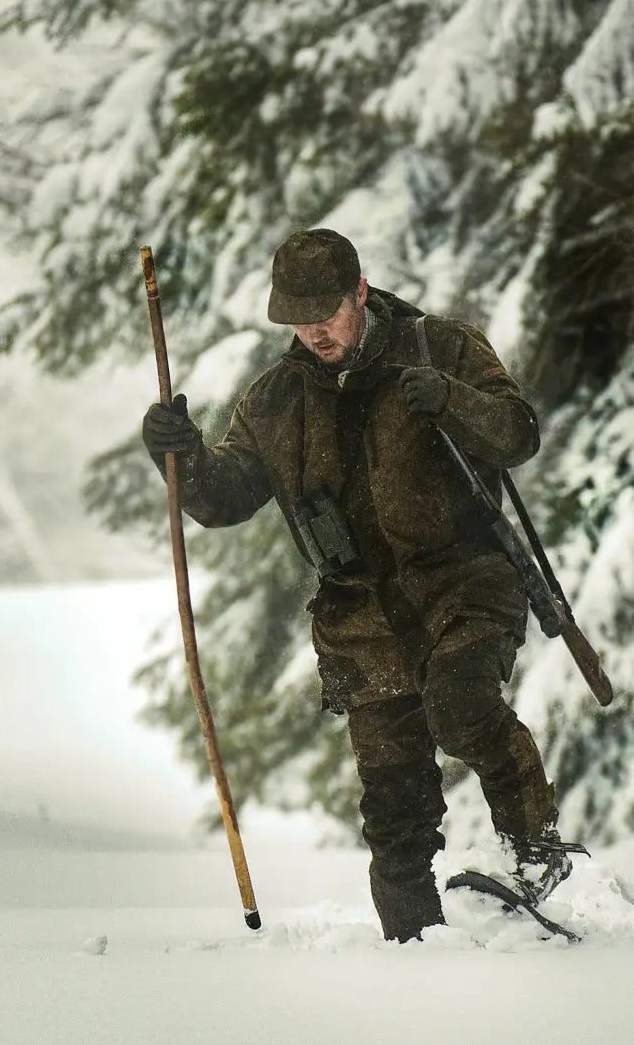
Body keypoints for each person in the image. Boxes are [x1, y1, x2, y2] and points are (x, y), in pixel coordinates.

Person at [141, 228, 584, 942]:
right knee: (395, 807)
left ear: (361, 293)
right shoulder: (276, 401)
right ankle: (412, 950)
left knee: (462, 703)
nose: (314, 331)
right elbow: (222, 499)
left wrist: (449, 400)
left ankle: (535, 859)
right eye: (298, 319)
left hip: (465, 584)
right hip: (361, 620)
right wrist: (180, 455)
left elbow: (518, 434)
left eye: (327, 312)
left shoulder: (443, 348)